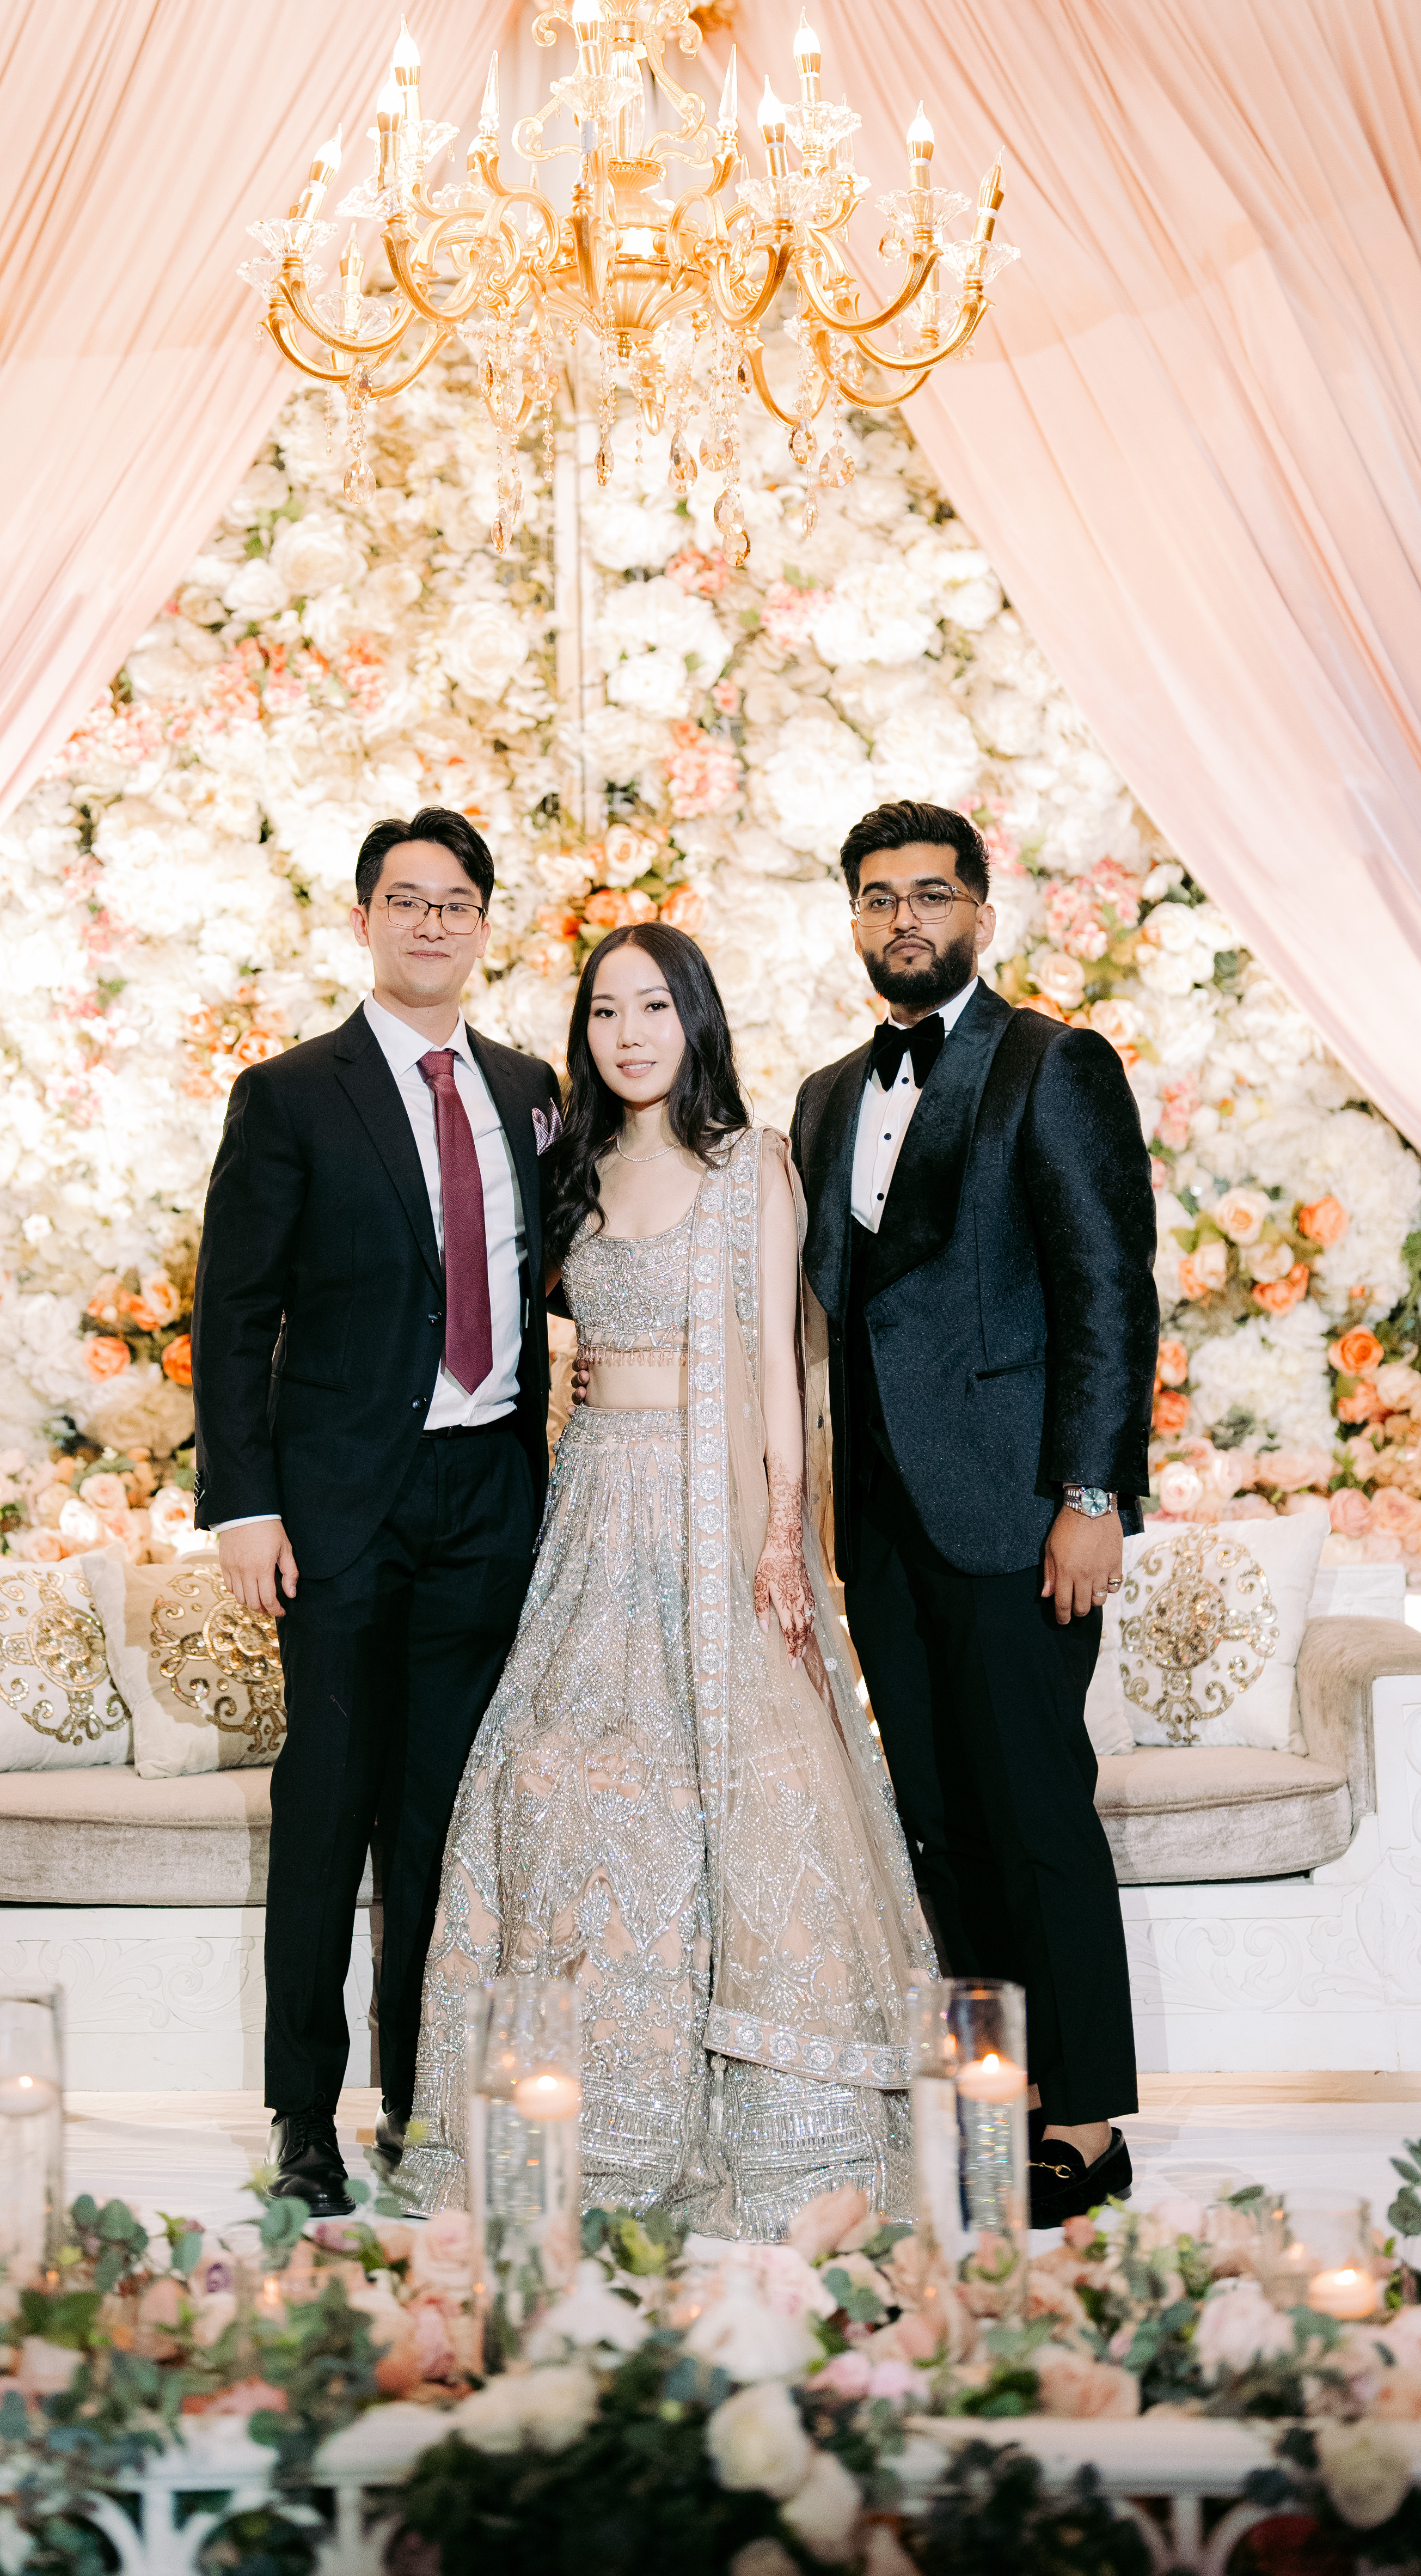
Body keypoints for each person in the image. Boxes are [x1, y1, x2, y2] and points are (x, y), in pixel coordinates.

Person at [395, 923, 938, 2238]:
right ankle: (574, 2114)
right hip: (593, 1508)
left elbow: (778, 1367)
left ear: (694, 1019)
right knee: (546, 1775)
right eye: (603, 1011)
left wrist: (781, 1533)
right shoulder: (568, 1172)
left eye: (652, 1006)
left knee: (730, 1789)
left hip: (713, 1515)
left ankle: (758, 2123)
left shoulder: (750, 1166)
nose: (627, 1033)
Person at [789, 799, 1159, 2227]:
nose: (905, 919)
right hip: (880, 1523)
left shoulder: (1053, 1065)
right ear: (854, 920)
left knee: (1032, 1808)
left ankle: (1087, 2122)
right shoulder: (828, 1096)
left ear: (980, 916)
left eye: (930, 894)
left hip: (1016, 1512)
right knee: (937, 1820)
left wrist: (1090, 1494)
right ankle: (993, 2102)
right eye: (879, 898)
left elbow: (1106, 1290)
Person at [191, 808, 561, 2218]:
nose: (430, 923)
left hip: (488, 1497)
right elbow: (233, 1314)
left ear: (483, 925)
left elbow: (556, 1265)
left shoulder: (529, 1087)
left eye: (455, 902)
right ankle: (304, 2117)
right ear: (363, 921)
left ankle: (418, 2104)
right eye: (405, 900)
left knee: (440, 1823)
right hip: (342, 1503)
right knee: (328, 1807)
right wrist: (245, 1506)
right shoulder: (291, 1094)